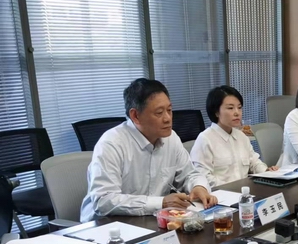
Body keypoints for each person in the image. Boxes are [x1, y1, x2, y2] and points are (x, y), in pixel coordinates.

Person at [80, 78, 217, 222]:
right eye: (159, 112)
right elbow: (103, 200)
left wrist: (199, 187)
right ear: (135, 116)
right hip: (106, 226)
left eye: (169, 110)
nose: (168, 118)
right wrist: (161, 203)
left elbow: (190, 174)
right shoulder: (111, 144)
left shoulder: (171, 138)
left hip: (150, 220)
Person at [190, 86, 277, 188]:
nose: (237, 113)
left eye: (239, 107)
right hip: (220, 194)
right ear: (216, 112)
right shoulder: (205, 139)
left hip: (245, 192)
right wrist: (232, 188)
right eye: (230, 108)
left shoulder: (241, 136)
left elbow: (254, 162)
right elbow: (203, 178)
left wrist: (266, 171)